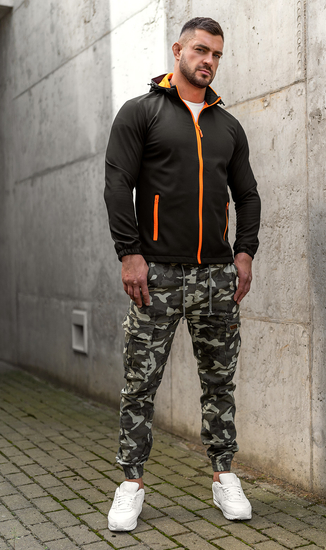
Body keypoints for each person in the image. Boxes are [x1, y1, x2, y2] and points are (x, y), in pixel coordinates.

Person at [104, 16, 261, 532]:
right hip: (157, 275)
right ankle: (131, 483)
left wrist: (244, 253)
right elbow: (117, 183)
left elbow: (248, 195)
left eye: (216, 54)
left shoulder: (228, 127)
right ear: (178, 51)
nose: (208, 61)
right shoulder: (141, 113)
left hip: (216, 276)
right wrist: (130, 253)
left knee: (220, 382)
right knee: (140, 383)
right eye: (200, 50)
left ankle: (224, 476)